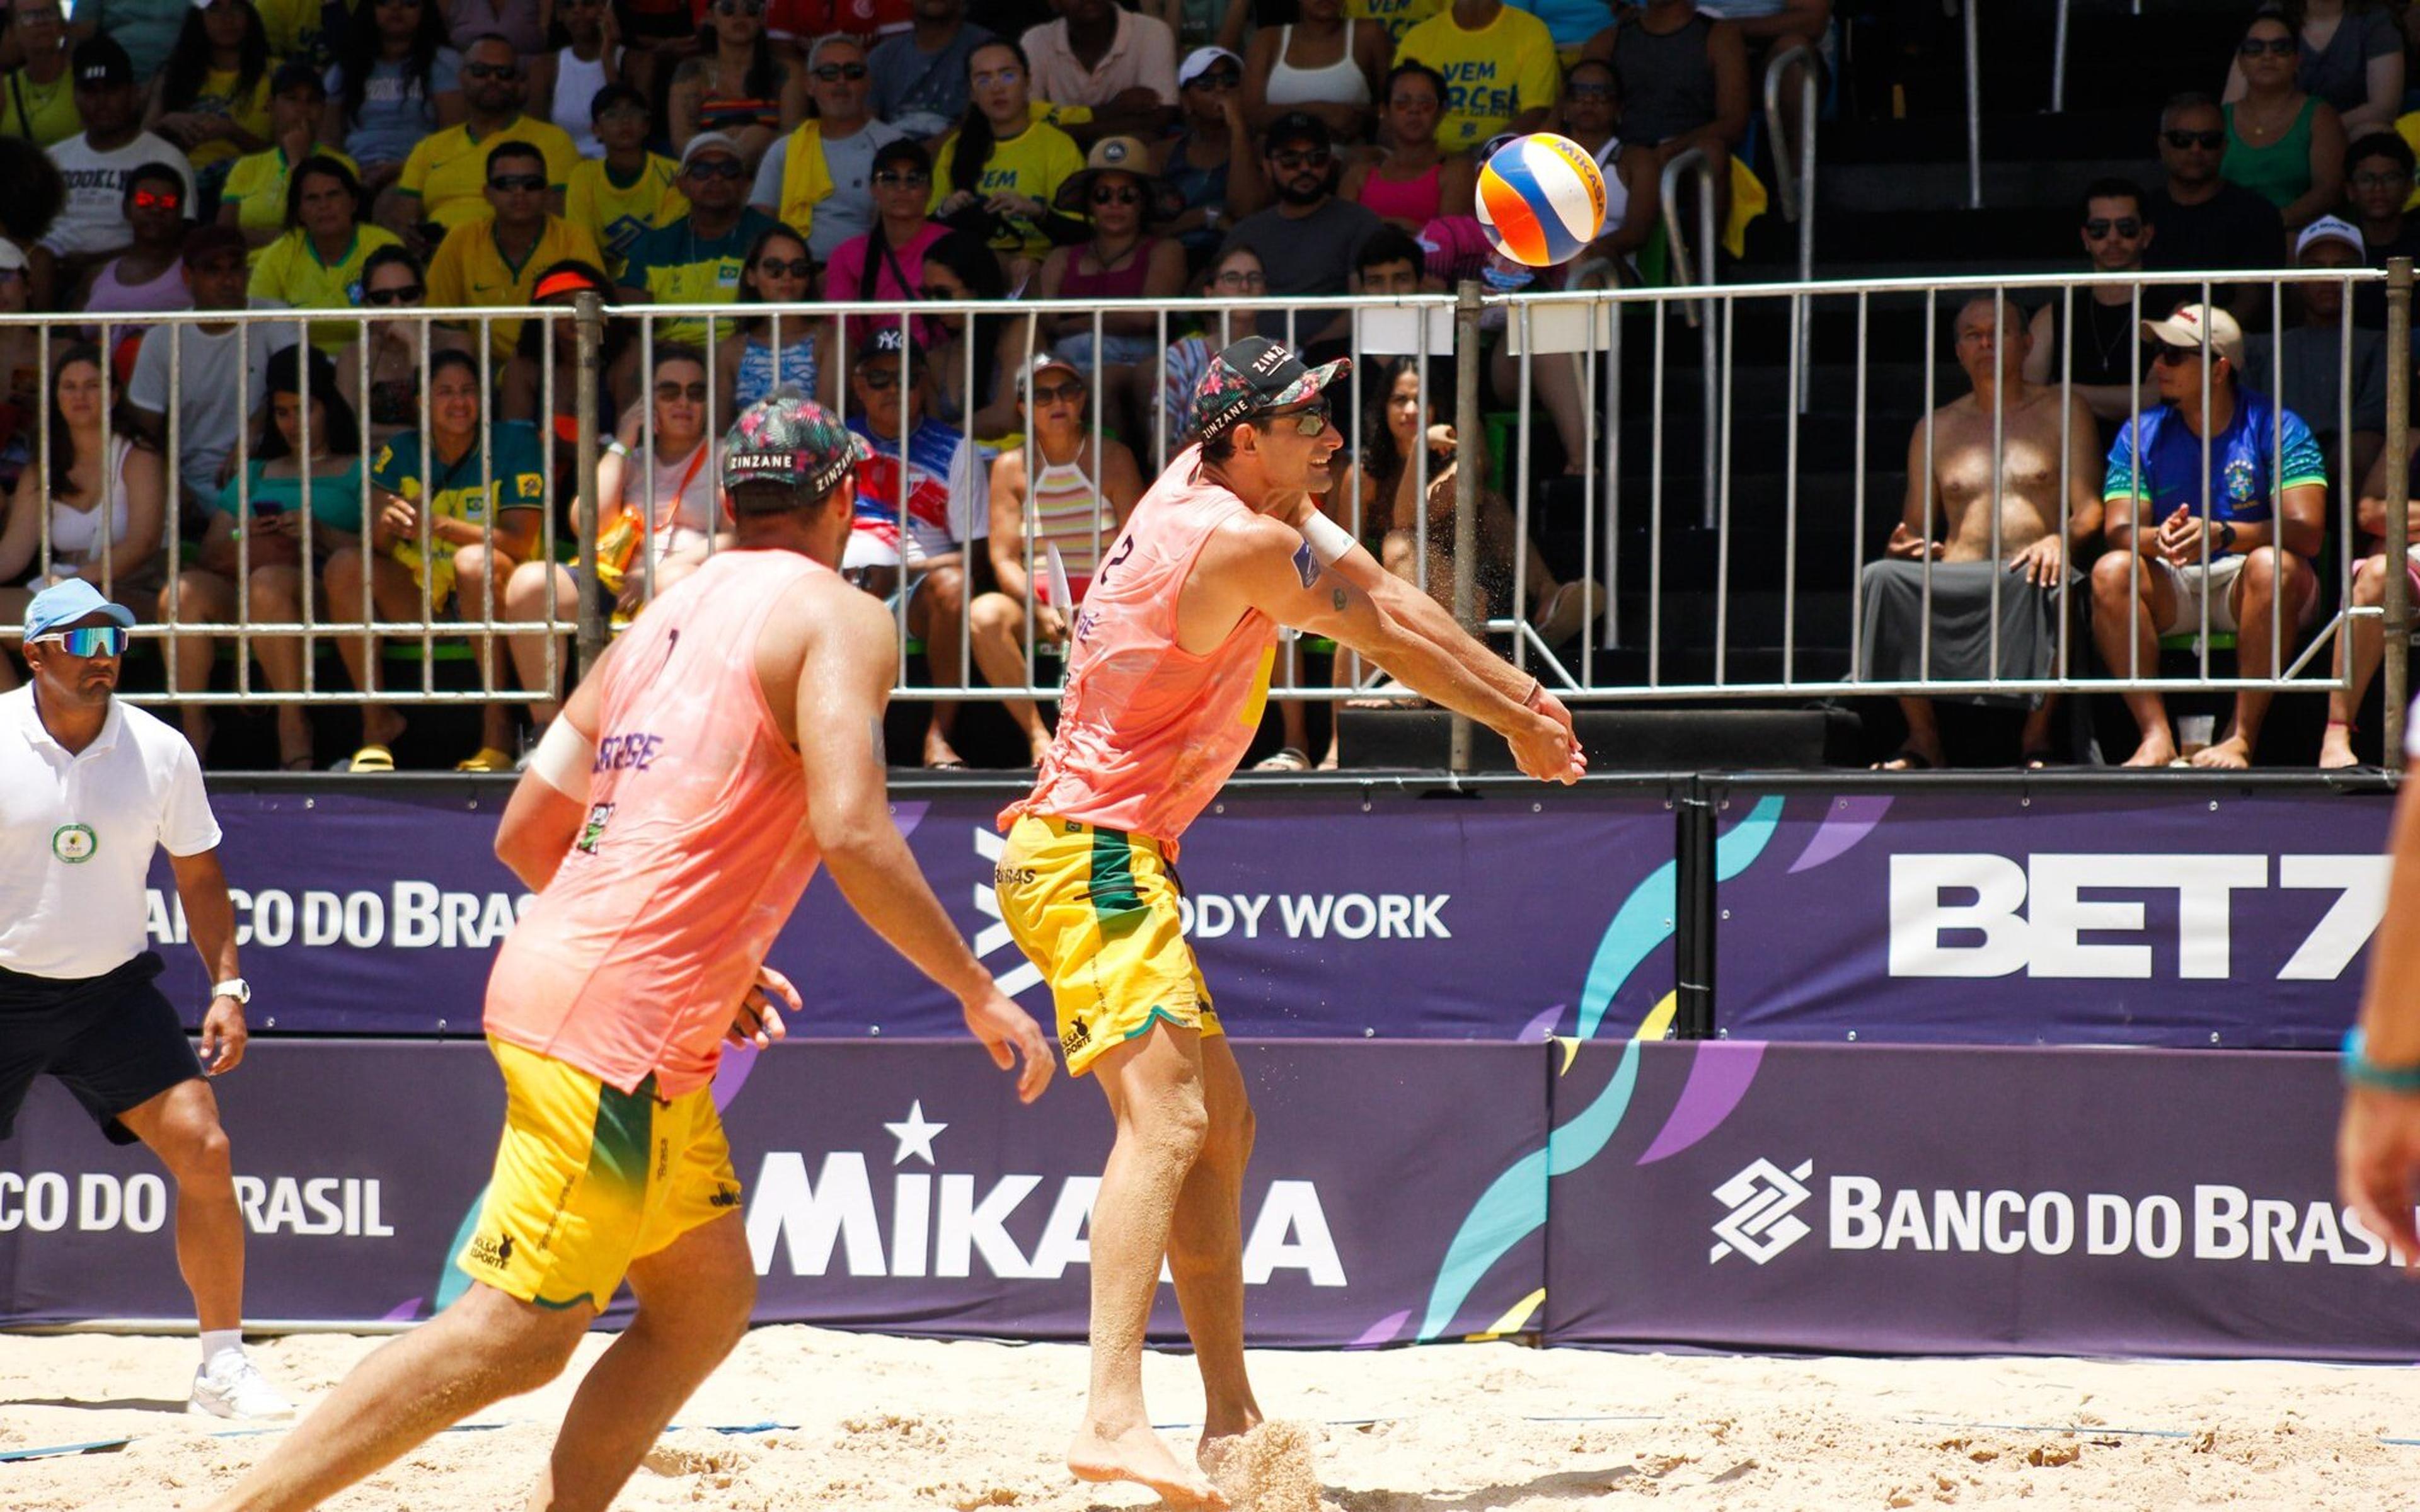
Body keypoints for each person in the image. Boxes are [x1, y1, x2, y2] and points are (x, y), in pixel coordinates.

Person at [201, 389, 1053, 1512]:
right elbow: (852, 829)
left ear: (735, 500)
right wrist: (978, 989)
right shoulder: (841, 614)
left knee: (702, 1301)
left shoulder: (659, 615)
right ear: (844, 498)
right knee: (514, 1336)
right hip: (622, 1025)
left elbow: (524, 836)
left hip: (598, 989)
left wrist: (707, 943)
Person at [993, 334, 1580, 1508]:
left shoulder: (1215, 483)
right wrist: (1516, 714)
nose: (1331, 435)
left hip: (1112, 852)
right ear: (1248, 437)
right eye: (1309, 418)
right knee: (1167, 1125)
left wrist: (1519, 695)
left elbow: (1392, 595)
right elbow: (1385, 638)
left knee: (1222, 1129)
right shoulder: (1240, 539)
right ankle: (1112, 1416)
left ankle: (1229, 1421)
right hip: (1090, 856)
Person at [1, 578, 292, 1420]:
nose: (105, 660)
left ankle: (222, 1370)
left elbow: (200, 878)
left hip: (108, 991)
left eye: (116, 643)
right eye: (85, 643)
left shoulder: (161, 750)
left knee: (206, 1149)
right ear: (37, 653)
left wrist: (228, 986)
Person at [1858, 297, 2104, 772]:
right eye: (1973, 334)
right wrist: (1904, 546)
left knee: (2055, 580)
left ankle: (2036, 740)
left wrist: (2060, 540)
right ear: (1958, 350)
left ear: (2027, 343)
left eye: (2000, 332)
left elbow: (2091, 511)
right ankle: (1923, 739)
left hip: (2028, 575)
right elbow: (1914, 526)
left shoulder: (2062, 409)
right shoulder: (1936, 427)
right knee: (1881, 577)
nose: (1986, 343)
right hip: (1960, 578)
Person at [2090, 303, 2327, 769]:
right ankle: (2155, 736)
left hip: (2252, 581)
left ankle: (2240, 737)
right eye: (2158, 353)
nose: (2158, 365)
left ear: (2219, 369)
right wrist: (2159, 539)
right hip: (2175, 577)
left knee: (2272, 564)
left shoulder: (2278, 426)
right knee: (2111, 569)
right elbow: (2118, 529)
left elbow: (2307, 533)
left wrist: (2221, 535)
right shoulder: (2141, 432)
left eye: (2174, 356)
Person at [158, 340, 367, 769]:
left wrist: (317, 531)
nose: (293, 423)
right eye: (282, 412)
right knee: (179, 595)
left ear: (327, 407)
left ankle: (293, 728)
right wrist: (244, 533)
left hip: (326, 595)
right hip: (247, 588)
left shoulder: (360, 467)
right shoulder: (255, 471)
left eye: (304, 409)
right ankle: (194, 731)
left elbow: (380, 554)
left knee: (268, 584)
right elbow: (212, 553)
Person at [345, 344, 541, 771]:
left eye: (469, 390)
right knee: (345, 566)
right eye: (445, 392)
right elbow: (375, 547)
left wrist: (438, 526)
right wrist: (388, 521)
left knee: (473, 562)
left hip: (498, 592)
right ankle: (377, 726)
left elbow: (520, 543)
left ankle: (498, 728)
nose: (459, 402)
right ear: (422, 403)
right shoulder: (399, 453)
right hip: (421, 596)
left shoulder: (514, 444)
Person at [970, 352, 1143, 763]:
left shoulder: (1113, 457)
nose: (1057, 402)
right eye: (1042, 395)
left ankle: (1117, 743)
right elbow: (1004, 559)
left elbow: (1138, 545)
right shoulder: (1010, 468)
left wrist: (1100, 603)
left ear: (1082, 399)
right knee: (984, 615)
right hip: (1038, 608)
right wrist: (1041, 607)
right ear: (1023, 408)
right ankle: (1037, 736)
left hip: (1110, 602)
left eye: (1067, 390)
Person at [847, 325, 984, 767]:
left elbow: (977, 558)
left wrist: (900, 573)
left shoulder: (956, 449)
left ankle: (939, 737)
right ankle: (845, 744)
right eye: (879, 379)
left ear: (922, 385)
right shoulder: (834, 441)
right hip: (842, 587)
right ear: (858, 385)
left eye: (904, 379)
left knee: (953, 584)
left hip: (917, 593)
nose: (892, 389)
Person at [0, 346, 168, 695]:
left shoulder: (138, 456)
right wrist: (66, 589)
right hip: (59, 590)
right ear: (55, 396)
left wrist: (74, 585)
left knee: (68, 622)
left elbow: (143, 542)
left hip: (130, 590)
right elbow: (12, 556)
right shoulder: (43, 466)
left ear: (113, 395)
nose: (80, 396)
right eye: (69, 386)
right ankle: (10, 728)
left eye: (92, 385)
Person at [122, 222, 297, 513]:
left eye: (235, 268)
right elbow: (145, 435)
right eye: (213, 270)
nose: (227, 281)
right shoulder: (162, 339)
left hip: (267, 475)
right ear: (188, 276)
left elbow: (297, 385)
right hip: (190, 484)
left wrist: (254, 430)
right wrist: (172, 485)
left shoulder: (276, 317)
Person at [32, 37, 196, 311]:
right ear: (75, 96)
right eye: (90, 91)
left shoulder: (165, 158)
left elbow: (181, 237)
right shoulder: (52, 158)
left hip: (126, 276)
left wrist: (92, 264)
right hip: (48, 273)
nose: (101, 102)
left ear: (133, 93)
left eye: (111, 90)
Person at [1037, 134, 1185, 436]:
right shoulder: (1061, 257)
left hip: (1139, 361)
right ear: (1089, 204)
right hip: (1066, 362)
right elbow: (1050, 323)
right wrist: (1107, 318)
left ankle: (1133, 473)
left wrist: (1076, 321)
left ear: (1143, 202)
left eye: (1127, 195)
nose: (1114, 204)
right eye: (1103, 195)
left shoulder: (1165, 250)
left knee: (1100, 383)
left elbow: (1145, 318)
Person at [2242, 215, 2387, 491]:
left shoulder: (2379, 344)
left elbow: (2374, 420)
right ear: (2296, 277)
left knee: (2360, 450)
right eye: (2315, 267)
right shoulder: (2261, 347)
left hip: (2344, 459)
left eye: (2342, 267)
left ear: (2363, 276)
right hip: (2277, 450)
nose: (2329, 278)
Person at [387, 35, 578, 243]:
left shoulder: (554, 141)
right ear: (462, 77)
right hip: (439, 260)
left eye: (504, 73)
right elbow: (403, 223)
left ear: (518, 81)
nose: (493, 80)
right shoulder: (428, 148)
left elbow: (557, 222)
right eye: (480, 71)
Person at [426, 139, 607, 358]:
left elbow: (590, 315)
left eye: (531, 184)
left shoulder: (572, 237)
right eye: (506, 184)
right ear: (487, 193)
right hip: (479, 371)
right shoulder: (461, 239)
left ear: (547, 191)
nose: (520, 192)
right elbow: (438, 320)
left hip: (553, 364)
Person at [1216, 111, 1380, 345]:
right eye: (1290, 160)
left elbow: (1362, 305)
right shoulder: (1245, 233)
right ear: (1268, 166)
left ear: (1331, 162)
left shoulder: (1360, 222)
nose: (1305, 168)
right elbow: (1219, 311)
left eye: (1317, 158)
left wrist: (1308, 354)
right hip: (1252, 365)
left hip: (1331, 363)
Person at [928, 38, 1085, 272]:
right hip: (972, 266)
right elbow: (927, 228)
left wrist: (1036, 212)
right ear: (972, 93)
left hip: (1042, 267)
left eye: (1008, 76)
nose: (997, 88)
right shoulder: (955, 148)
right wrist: (947, 210)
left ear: (1028, 81)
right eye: (983, 79)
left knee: (1022, 268)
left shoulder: (1057, 145)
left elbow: (1082, 232)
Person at [747, 33, 905, 263]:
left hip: (866, 275)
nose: (841, 81)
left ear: (868, 82)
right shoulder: (785, 149)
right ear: (810, 85)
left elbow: (899, 233)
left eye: (853, 72)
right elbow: (759, 226)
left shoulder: (893, 146)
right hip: (792, 277)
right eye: (829, 73)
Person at [614, 130, 777, 350]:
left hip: (749, 352)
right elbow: (627, 310)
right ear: (682, 184)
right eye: (702, 171)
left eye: (728, 170)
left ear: (743, 183)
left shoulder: (771, 237)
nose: (716, 178)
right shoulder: (655, 245)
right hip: (671, 356)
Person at [2023, 178, 2155, 427]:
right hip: (2072, 454)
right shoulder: (2052, 317)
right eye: (2099, 229)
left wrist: (2065, 392)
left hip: (2154, 452)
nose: (2113, 238)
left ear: (2146, 235)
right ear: (2085, 237)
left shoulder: (2174, 310)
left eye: (2126, 227)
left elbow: (2159, 396)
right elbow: (2027, 401)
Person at [2143, 92, 2288, 318]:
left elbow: (2254, 299)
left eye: (2208, 140)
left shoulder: (2256, 214)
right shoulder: (2142, 212)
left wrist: (2202, 332)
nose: (2196, 150)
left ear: (2224, 147)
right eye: (2182, 139)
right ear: (2162, 145)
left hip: (2231, 344)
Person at [247, 156, 405, 354]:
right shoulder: (278, 255)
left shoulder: (384, 246)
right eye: (312, 198)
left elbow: (403, 319)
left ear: (354, 202)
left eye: (333, 195)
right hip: (299, 366)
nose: (324, 205)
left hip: (372, 361)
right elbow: (259, 325)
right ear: (300, 212)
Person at [335, 243, 475, 450]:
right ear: (367, 304)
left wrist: (417, 346)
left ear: (424, 297)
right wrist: (413, 435)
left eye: (407, 294)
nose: (397, 306)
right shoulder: (354, 355)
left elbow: (452, 422)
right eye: (382, 298)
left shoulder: (456, 344)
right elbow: (345, 432)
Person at [323, 0, 463, 205]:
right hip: (353, 174)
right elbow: (329, 140)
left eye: (410, 3)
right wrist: (347, 173)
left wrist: (402, 168)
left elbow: (454, 138)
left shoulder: (445, 63)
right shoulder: (345, 67)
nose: (396, 9)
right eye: (385, 2)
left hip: (418, 172)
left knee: (391, 203)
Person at [1583, 0, 1746, 175]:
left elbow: (1733, 122)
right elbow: (1576, 110)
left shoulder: (1720, 36)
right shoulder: (1606, 42)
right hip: (1623, 163)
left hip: (1687, 161)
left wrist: (1673, 148)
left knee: (1712, 152)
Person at [2222, 11, 2346, 232]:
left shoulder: (2320, 115)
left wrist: (2273, 224)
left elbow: (2328, 192)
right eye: (2255, 48)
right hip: (2227, 237)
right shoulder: (2219, 119)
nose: (2268, 56)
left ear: (2298, 60)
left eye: (2280, 48)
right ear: (2240, 61)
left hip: (2298, 237)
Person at [219, 62, 354, 249]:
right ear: (271, 105)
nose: (303, 109)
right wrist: (289, 236)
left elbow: (324, 235)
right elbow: (223, 237)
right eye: (292, 99)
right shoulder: (246, 166)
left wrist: (297, 161)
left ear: (323, 110)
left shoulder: (342, 166)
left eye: (312, 100)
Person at [824, 135, 947, 343]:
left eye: (914, 178)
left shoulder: (951, 244)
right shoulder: (846, 255)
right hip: (872, 367)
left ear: (930, 190)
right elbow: (843, 333)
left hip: (935, 366)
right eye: (889, 178)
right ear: (873, 189)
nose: (902, 188)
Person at [142, 0, 273, 193]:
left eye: (236, 7)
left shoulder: (275, 74)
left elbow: (285, 154)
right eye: (214, 9)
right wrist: (167, 123)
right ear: (198, 17)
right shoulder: (174, 74)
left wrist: (231, 132)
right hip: (182, 183)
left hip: (251, 185)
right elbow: (141, 145)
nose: (227, 18)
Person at [2225, 0, 2401, 141]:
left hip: (2346, 131)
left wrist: (2317, 130)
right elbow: (2232, 102)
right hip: (2273, 133)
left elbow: (2383, 108)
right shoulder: (2274, 13)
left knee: (2375, 135)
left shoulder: (2375, 18)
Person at [562, 83, 686, 277]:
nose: (625, 121)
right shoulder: (583, 175)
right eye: (612, 114)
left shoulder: (673, 173)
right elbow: (581, 246)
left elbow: (667, 244)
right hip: (603, 289)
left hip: (660, 280)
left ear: (646, 126)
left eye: (634, 112)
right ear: (596, 129)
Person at [1395, 0, 1553, 151]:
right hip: (1432, 159)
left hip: (1502, 160)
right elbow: (1395, 110)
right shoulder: (1418, 38)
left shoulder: (1531, 32)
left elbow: (1536, 112)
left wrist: (1484, 153)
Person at [666, 0, 805, 171]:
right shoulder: (693, 72)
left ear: (762, 17)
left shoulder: (788, 71)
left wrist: (764, 140)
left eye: (751, 8)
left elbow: (795, 139)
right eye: (728, 8)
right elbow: (681, 142)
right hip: (709, 177)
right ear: (710, 17)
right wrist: (722, 144)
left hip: (772, 174)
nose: (740, 15)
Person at [1153, 45, 1264, 261]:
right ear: (1186, 100)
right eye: (1206, 83)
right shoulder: (1162, 153)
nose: (1221, 89)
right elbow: (1150, 229)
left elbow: (1246, 212)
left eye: (1230, 81)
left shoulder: (1260, 146)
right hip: (1173, 260)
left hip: (1235, 260)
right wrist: (1207, 216)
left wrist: (1238, 128)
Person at [1550, 56, 1656, 279]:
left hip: (1611, 266)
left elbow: (1637, 233)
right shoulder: (1543, 157)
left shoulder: (1637, 160)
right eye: (1579, 92)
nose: (1589, 100)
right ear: (1565, 106)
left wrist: (1582, 248)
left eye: (1601, 93)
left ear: (1619, 107)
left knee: (1581, 258)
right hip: (1546, 260)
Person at [914, 226, 1023, 440]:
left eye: (943, 294)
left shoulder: (1019, 333)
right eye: (927, 294)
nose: (933, 305)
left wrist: (944, 438)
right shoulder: (935, 360)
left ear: (977, 289)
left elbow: (1006, 417)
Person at [717, 222, 838, 416]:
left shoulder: (830, 341)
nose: (787, 276)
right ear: (751, 276)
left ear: (808, 278)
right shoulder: (730, 350)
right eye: (774, 268)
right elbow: (719, 434)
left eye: (798, 268)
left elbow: (825, 428)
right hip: (744, 446)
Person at [71, 161, 193, 349]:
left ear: (180, 212)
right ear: (126, 208)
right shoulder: (96, 275)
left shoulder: (195, 271)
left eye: (168, 202)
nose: (156, 209)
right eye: (145, 200)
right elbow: (73, 341)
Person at [1338, 59, 1469, 231]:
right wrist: (1402, 228)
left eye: (1425, 103)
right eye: (1402, 103)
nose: (1414, 110)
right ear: (1384, 111)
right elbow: (1341, 237)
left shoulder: (1457, 172)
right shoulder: (1359, 175)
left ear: (1441, 112)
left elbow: (1449, 244)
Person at [1021, 0, 1177, 140]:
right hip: (1055, 161)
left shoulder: (1151, 31)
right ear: (1053, 3)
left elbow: (1159, 118)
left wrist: (1066, 131)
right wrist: (1113, 110)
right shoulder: (1035, 40)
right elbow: (1023, 119)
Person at [1241, 0, 1385, 142]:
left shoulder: (1368, 35)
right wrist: (1320, 111)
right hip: (1283, 162)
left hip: (1351, 160)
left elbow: (1393, 106)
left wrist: (1360, 116)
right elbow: (1252, 116)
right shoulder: (1268, 40)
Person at [868, 0, 993, 140]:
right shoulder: (882, 56)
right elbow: (866, 130)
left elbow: (981, 125)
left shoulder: (991, 50)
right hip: (889, 156)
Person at [526, 0, 626, 159]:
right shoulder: (544, 67)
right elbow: (537, 135)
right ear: (559, 14)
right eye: (569, 5)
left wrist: (607, 58)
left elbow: (625, 127)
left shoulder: (636, 62)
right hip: (563, 169)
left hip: (616, 166)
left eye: (588, 3)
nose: (578, 11)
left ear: (606, 9)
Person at [2343, 131, 2420, 329]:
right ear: (2350, 190)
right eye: (2367, 179)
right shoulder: (2339, 246)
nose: (2379, 189)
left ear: (2409, 187)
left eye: (2390, 178)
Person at [1, 0, 82, 146]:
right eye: (29, 17)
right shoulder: (4, 90)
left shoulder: (83, 81)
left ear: (63, 25)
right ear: (13, 31)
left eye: (48, 14)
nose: (40, 23)